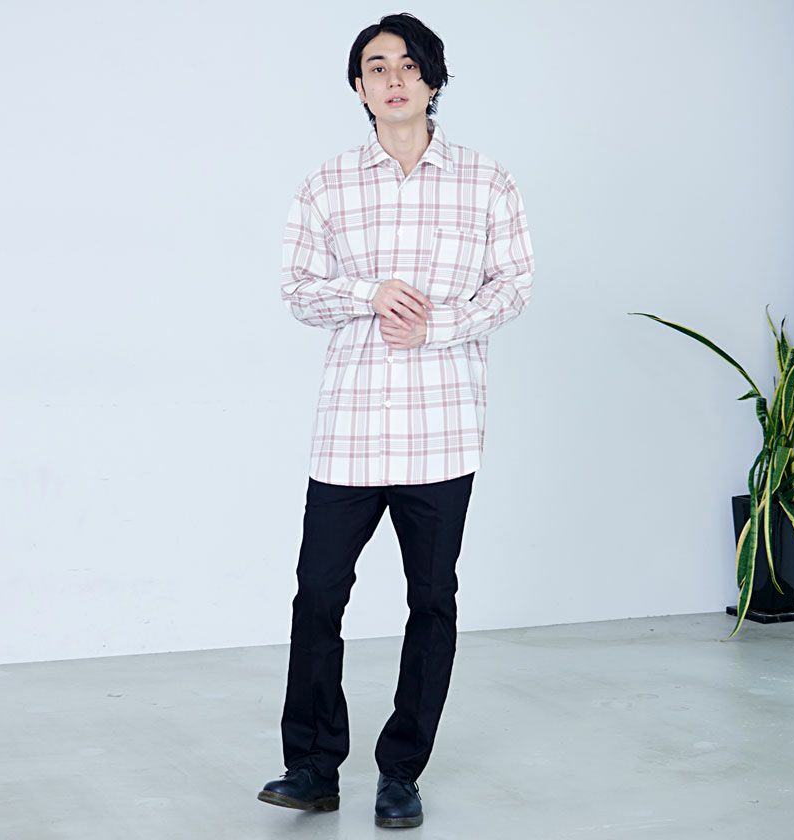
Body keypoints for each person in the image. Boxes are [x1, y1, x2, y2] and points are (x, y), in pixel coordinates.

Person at [258, 11, 535, 830]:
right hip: (350, 431)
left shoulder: (486, 180)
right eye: (377, 67)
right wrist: (367, 293)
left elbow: (514, 284)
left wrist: (437, 325)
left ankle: (401, 773)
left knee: (432, 602)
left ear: (433, 81)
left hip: (443, 428)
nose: (394, 79)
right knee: (318, 597)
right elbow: (299, 289)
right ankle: (312, 768)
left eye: (410, 65)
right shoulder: (328, 184)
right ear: (359, 87)